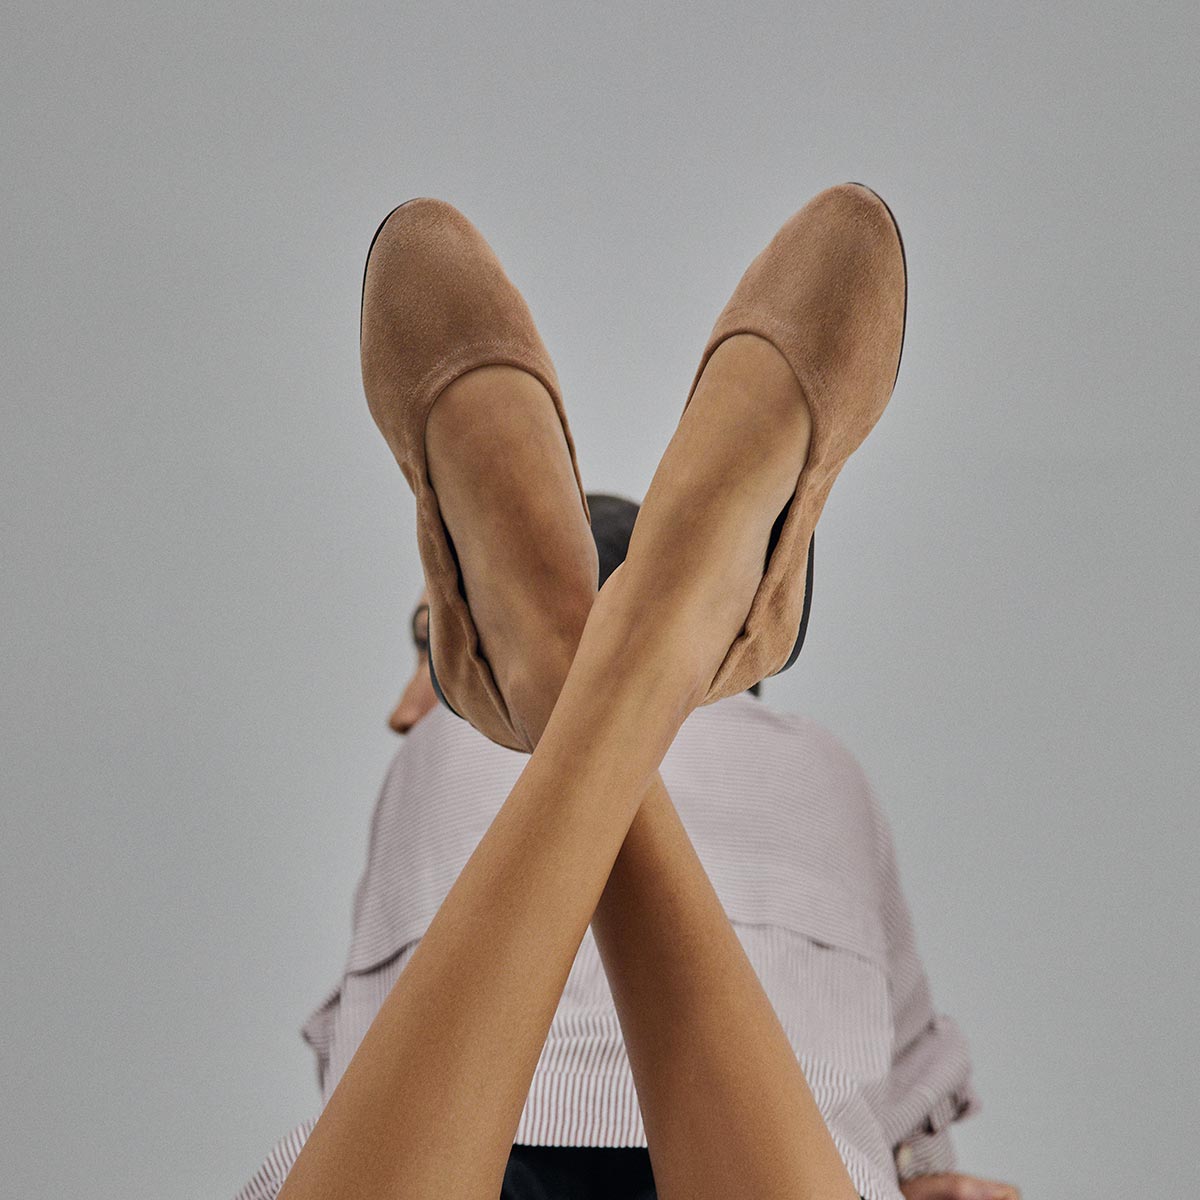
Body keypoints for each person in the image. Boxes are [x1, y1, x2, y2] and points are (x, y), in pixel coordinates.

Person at [233, 187, 1019, 1200]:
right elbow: (911, 1081)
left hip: (446, 1151)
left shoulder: (430, 754)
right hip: (769, 1151)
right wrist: (924, 1176)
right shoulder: (818, 765)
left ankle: (579, 677)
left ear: (434, 685)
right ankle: (644, 658)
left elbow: (353, 1046)